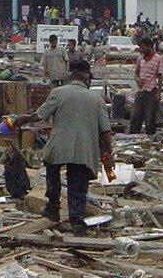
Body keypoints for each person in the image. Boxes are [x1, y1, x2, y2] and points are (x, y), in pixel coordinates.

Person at [12, 60, 113, 234]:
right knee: (78, 185)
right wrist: (108, 153)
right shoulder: (97, 100)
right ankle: (77, 222)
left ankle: (53, 209)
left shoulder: (58, 93)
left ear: (70, 75)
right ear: (87, 77)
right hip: (84, 150)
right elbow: (105, 131)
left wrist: (22, 119)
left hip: (59, 146)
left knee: (53, 176)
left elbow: (39, 116)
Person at [130, 37, 163, 135]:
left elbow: (160, 77)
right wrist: (137, 79)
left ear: (149, 46)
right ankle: (134, 136)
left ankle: (150, 137)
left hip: (151, 91)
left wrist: (158, 93)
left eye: (142, 47)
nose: (141, 50)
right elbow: (136, 73)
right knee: (136, 116)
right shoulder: (140, 58)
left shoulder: (158, 59)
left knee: (150, 118)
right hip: (141, 91)